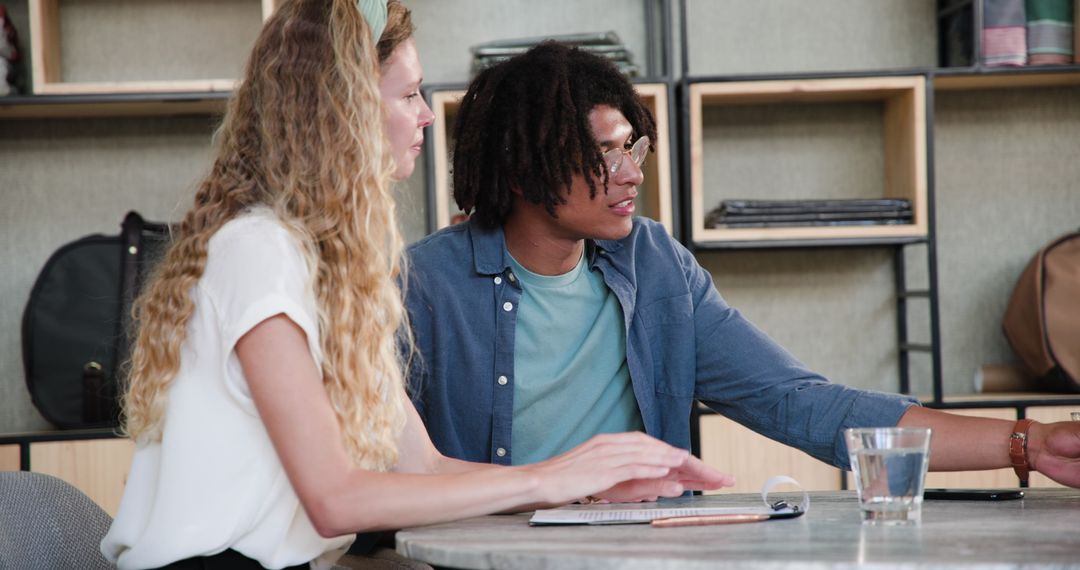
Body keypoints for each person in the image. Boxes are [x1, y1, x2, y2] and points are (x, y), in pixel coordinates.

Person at [100, 3, 732, 569]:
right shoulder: (257, 252)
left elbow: (423, 468)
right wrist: (548, 479)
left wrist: (583, 491)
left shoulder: (333, 271)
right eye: (408, 95)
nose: (428, 115)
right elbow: (335, 500)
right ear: (341, 112)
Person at [404, 42, 1080, 490]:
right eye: (604, 155)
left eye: (632, 148)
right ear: (523, 168)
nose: (632, 173)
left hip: (642, 554)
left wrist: (1030, 443)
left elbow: (800, 404)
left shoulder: (657, 264)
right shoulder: (423, 286)